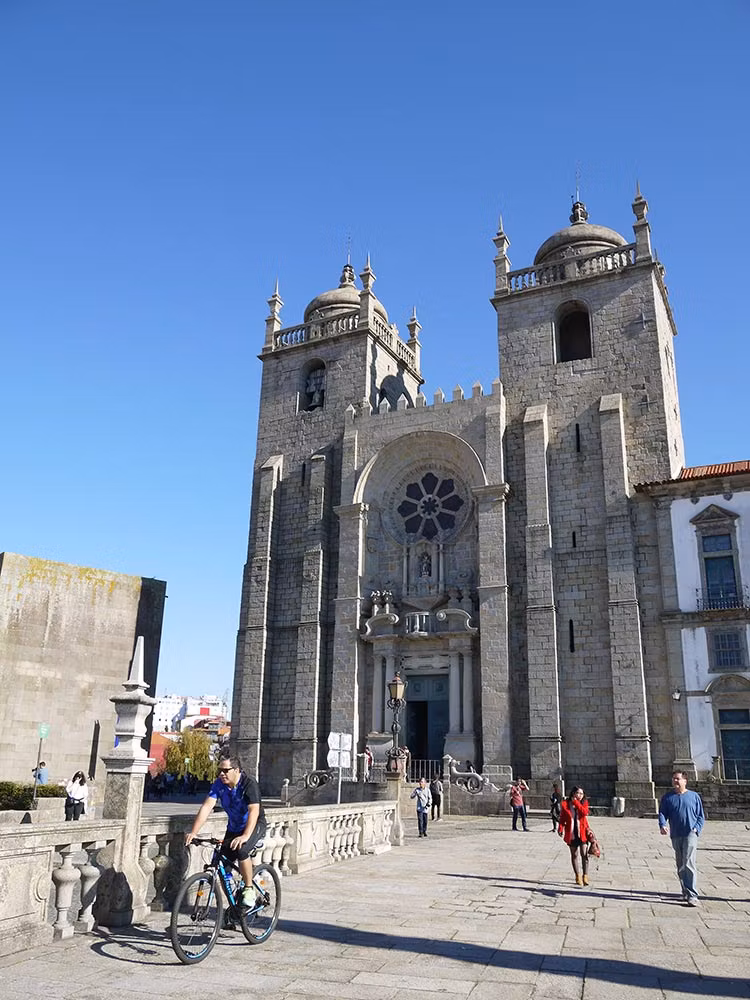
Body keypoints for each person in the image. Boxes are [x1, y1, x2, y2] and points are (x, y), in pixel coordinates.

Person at [186, 753, 267, 911]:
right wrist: (194, 832)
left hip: (254, 825)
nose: (221, 774)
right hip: (234, 827)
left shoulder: (248, 784)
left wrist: (245, 836)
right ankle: (234, 907)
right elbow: (207, 807)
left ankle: (249, 888)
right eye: (219, 771)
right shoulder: (219, 784)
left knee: (242, 851)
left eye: (225, 770)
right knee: (221, 865)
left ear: (236, 770)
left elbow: (254, 811)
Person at [658, 770, 705, 907]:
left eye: (678, 779)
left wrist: (696, 829)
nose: (675, 781)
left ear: (685, 781)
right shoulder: (668, 798)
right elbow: (662, 813)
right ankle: (685, 890)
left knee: (689, 862)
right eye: (674, 779)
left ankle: (692, 895)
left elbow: (701, 816)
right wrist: (662, 825)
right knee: (680, 865)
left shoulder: (694, 796)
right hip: (676, 834)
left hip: (690, 833)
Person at [558, 786, 590, 885]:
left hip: (582, 832)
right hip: (571, 833)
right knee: (574, 855)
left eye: (581, 794)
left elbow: (584, 812)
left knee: (584, 854)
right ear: (573, 794)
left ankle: (585, 875)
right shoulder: (565, 804)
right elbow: (562, 818)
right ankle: (577, 876)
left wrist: (576, 803)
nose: (580, 795)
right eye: (578, 793)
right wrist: (560, 828)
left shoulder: (584, 803)